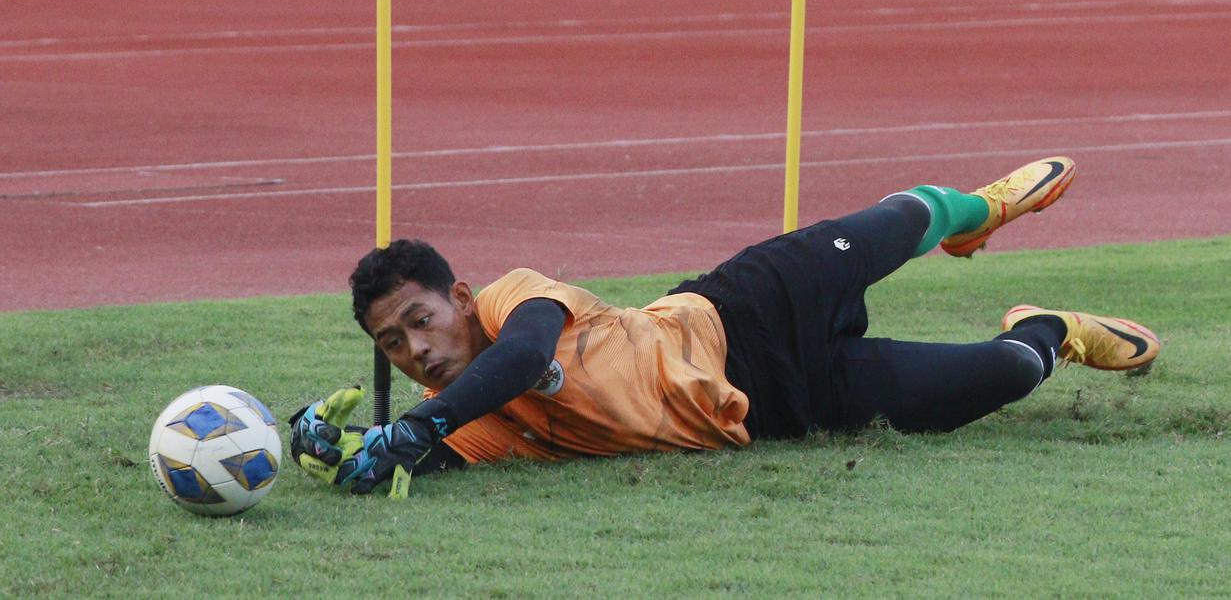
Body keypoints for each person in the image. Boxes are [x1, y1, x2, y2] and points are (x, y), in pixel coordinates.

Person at [289, 156, 1160, 494]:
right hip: (783, 407)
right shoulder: (478, 427)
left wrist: (407, 427)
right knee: (1005, 375)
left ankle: (977, 211)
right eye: (393, 346)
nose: (418, 351)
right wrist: (343, 448)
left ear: (459, 295)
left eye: (419, 321)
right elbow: (430, 455)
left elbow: (517, 359)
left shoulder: (512, 299)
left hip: (741, 307)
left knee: (898, 226)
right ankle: (1055, 326)